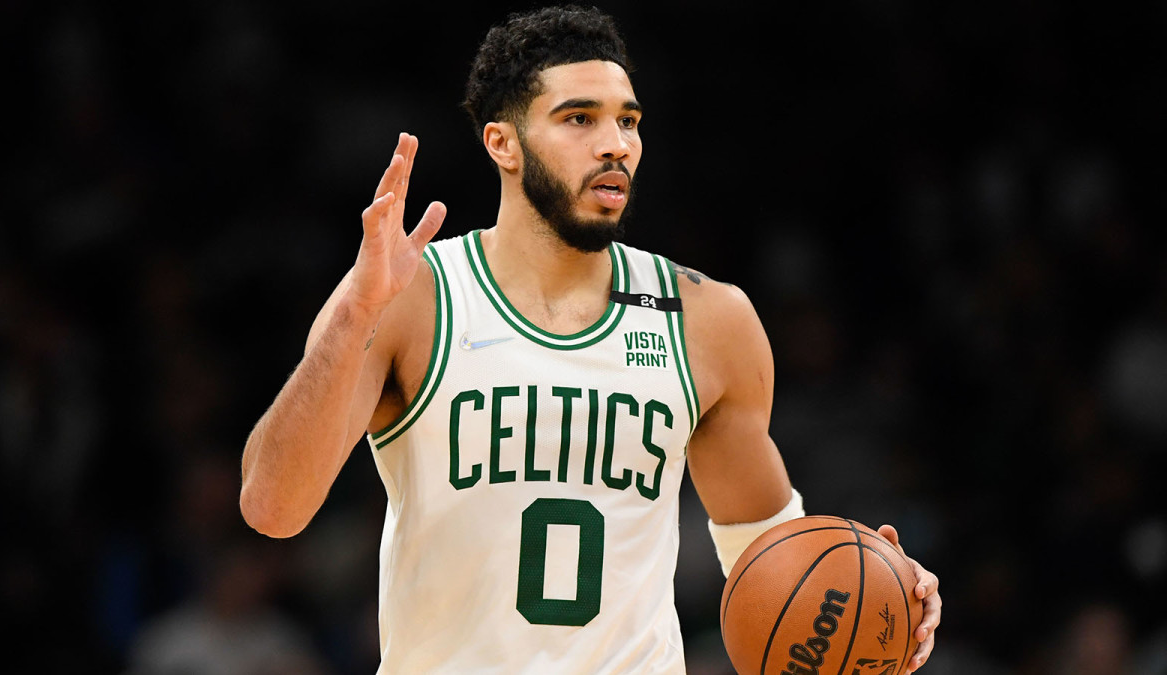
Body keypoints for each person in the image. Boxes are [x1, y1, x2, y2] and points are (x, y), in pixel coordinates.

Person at [239, 5, 941, 672]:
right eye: (579, 118)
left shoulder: (709, 320)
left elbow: (767, 552)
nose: (615, 143)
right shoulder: (410, 296)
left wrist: (877, 585)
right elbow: (273, 508)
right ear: (502, 143)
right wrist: (351, 319)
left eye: (627, 121)